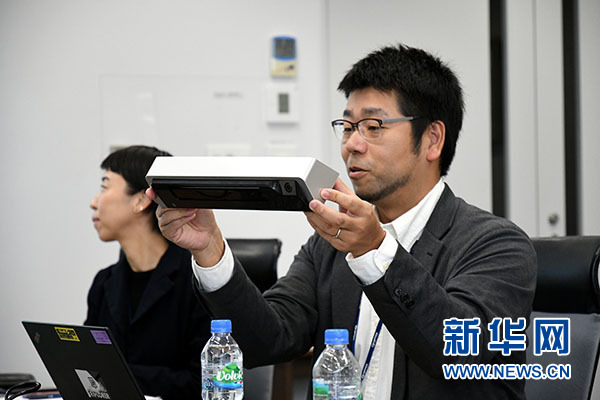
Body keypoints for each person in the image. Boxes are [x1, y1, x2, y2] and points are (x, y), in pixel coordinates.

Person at [148, 44, 537, 399]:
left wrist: (373, 251)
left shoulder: (496, 244)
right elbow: (267, 340)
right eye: (348, 127)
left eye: (373, 127)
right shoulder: (330, 244)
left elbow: (456, 354)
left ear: (432, 139)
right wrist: (210, 250)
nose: (352, 144)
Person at [86, 145, 211, 400]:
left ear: (142, 200)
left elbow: (202, 383)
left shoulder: (197, 282)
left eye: (105, 187)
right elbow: (89, 366)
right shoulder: (104, 283)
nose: (94, 202)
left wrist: (116, 376)